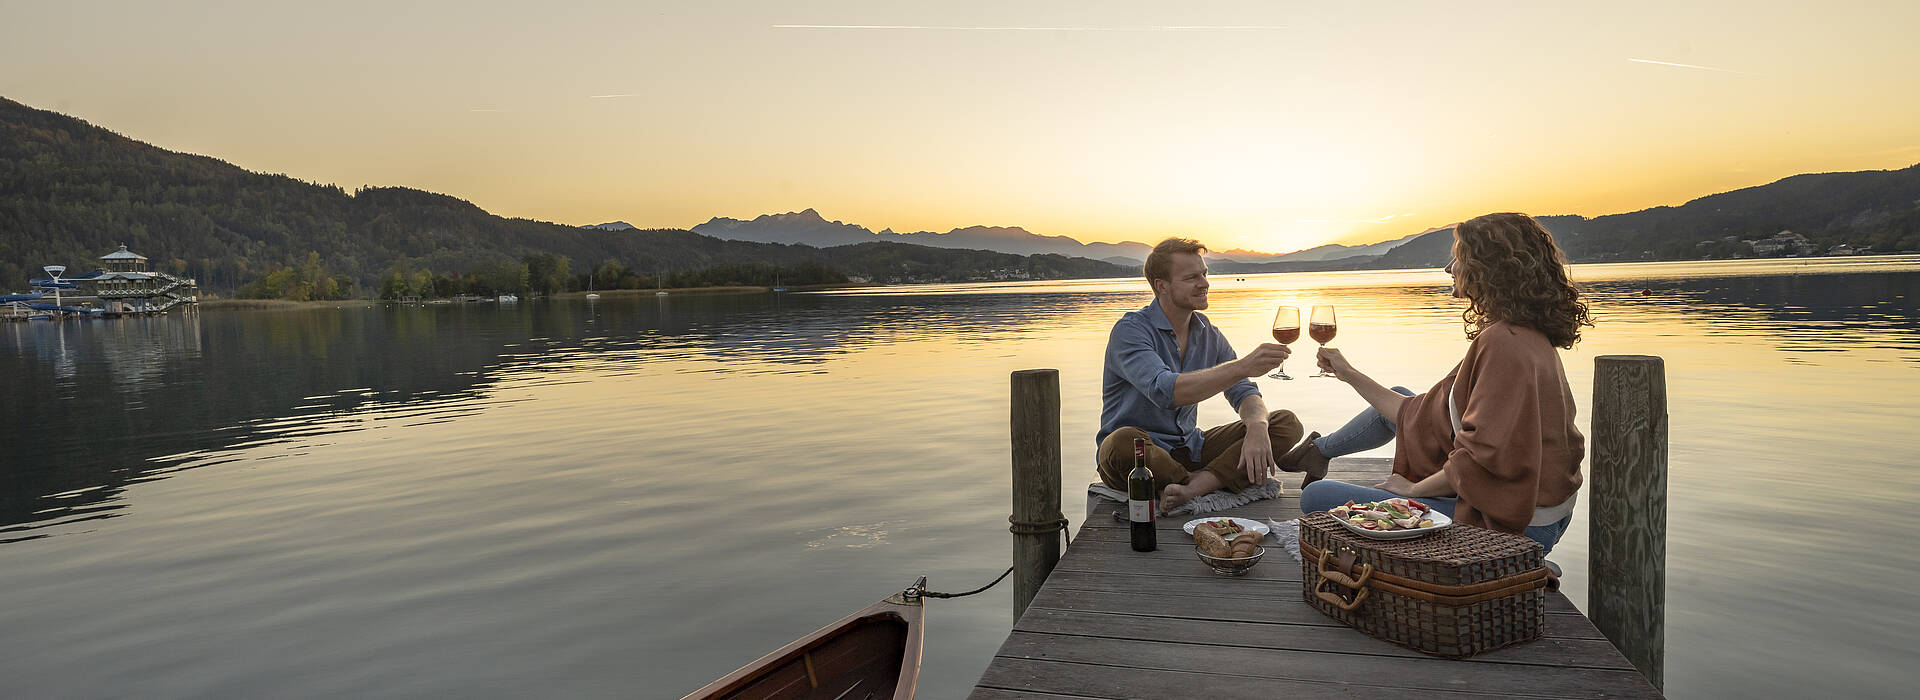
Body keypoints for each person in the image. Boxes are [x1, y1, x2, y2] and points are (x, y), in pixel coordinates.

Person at [1283, 213, 1592, 553]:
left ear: (1486, 269)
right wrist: (1349, 372)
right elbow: (1416, 412)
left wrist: (1412, 491)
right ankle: (1318, 452)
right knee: (1407, 400)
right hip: (1540, 508)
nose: (1449, 269)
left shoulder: (1503, 342)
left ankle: (1512, 559)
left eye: (1458, 259)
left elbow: (1479, 457)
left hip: (1514, 523)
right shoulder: (1524, 333)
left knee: (1316, 496)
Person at [1097, 237, 1307, 512]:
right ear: (1162, 286)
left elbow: (1244, 391)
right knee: (1122, 443)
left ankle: (1194, 488)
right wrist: (1242, 366)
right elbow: (1165, 391)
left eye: (1205, 274)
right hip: (1143, 454)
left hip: (1190, 448)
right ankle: (1217, 479)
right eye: (1192, 277)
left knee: (1284, 424)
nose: (1205, 283)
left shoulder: (1208, 333)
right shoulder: (1131, 331)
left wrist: (1257, 426)